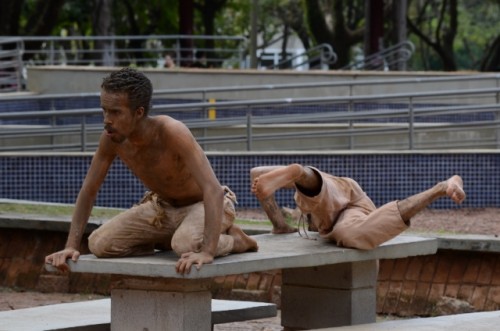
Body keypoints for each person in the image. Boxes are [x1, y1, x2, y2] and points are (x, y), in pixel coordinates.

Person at [45, 67, 257, 275]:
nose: (106, 120)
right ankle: (168, 239)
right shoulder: (111, 138)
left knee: (186, 246)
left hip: (202, 205)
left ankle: (235, 241)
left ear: (139, 113)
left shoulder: (171, 131)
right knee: (99, 244)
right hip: (162, 208)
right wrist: (71, 246)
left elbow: (213, 189)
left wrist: (209, 251)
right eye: (104, 110)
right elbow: (88, 190)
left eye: (115, 112)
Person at [251, 164, 466, 250]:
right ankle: (299, 172)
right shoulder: (315, 203)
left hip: (354, 207)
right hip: (337, 205)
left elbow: (257, 174)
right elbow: (257, 175)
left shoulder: (314, 201)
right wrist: (280, 226)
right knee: (329, 208)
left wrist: (278, 222)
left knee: (349, 227)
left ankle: (440, 188)